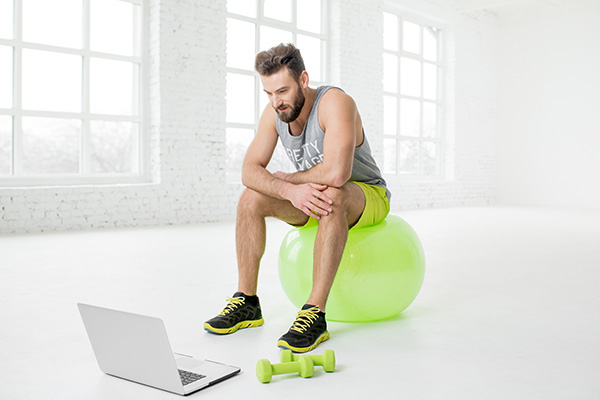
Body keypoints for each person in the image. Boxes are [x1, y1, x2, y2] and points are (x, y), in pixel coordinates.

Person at [204, 43, 391, 353]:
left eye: (283, 90)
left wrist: (288, 179)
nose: (276, 101)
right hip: (309, 196)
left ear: (303, 79)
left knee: (334, 195)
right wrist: (289, 191)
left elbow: (336, 174)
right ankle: (247, 301)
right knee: (251, 198)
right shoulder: (275, 112)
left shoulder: (336, 103)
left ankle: (314, 313)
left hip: (366, 195)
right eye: (268, 93)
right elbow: (249, 171)